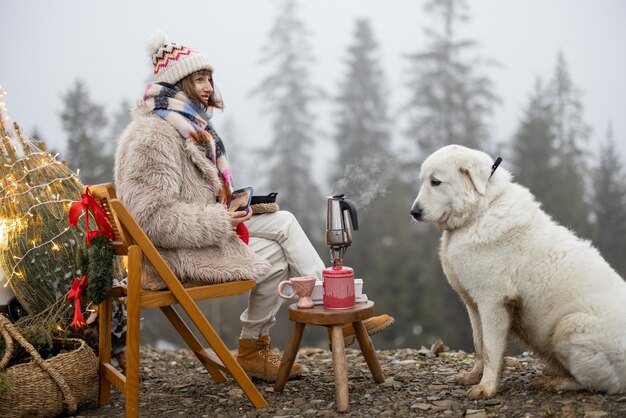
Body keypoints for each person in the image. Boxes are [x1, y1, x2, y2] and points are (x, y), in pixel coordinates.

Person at [113, 31, 394, 381]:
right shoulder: (153, 136)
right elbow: (151, 218)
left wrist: (236, 209)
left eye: (209, 78)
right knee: (273, 258)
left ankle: (333, 308)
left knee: (285, 222)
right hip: (170, 254)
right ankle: (258, 345)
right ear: (177, 83)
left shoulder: (188, 127)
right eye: (198, 78)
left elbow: (191, 197)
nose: (208, 86)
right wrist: (220, 219)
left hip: (200, 230)